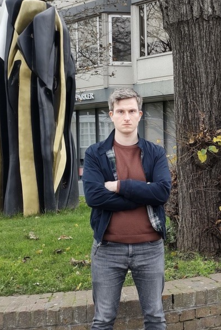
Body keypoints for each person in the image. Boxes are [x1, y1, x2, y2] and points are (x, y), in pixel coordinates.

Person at [82, 88, 171, 330]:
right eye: (120, 111)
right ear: (111, 115)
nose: (127, 117)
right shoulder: (95, 154)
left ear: (140, 114)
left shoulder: (155, 153)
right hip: (108, 249)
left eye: (132, 111)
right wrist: (145, 192)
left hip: (150, 248)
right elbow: (94, 197)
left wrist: (120, 186)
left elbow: (162, 192)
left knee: (155, 318)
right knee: (102, 320)